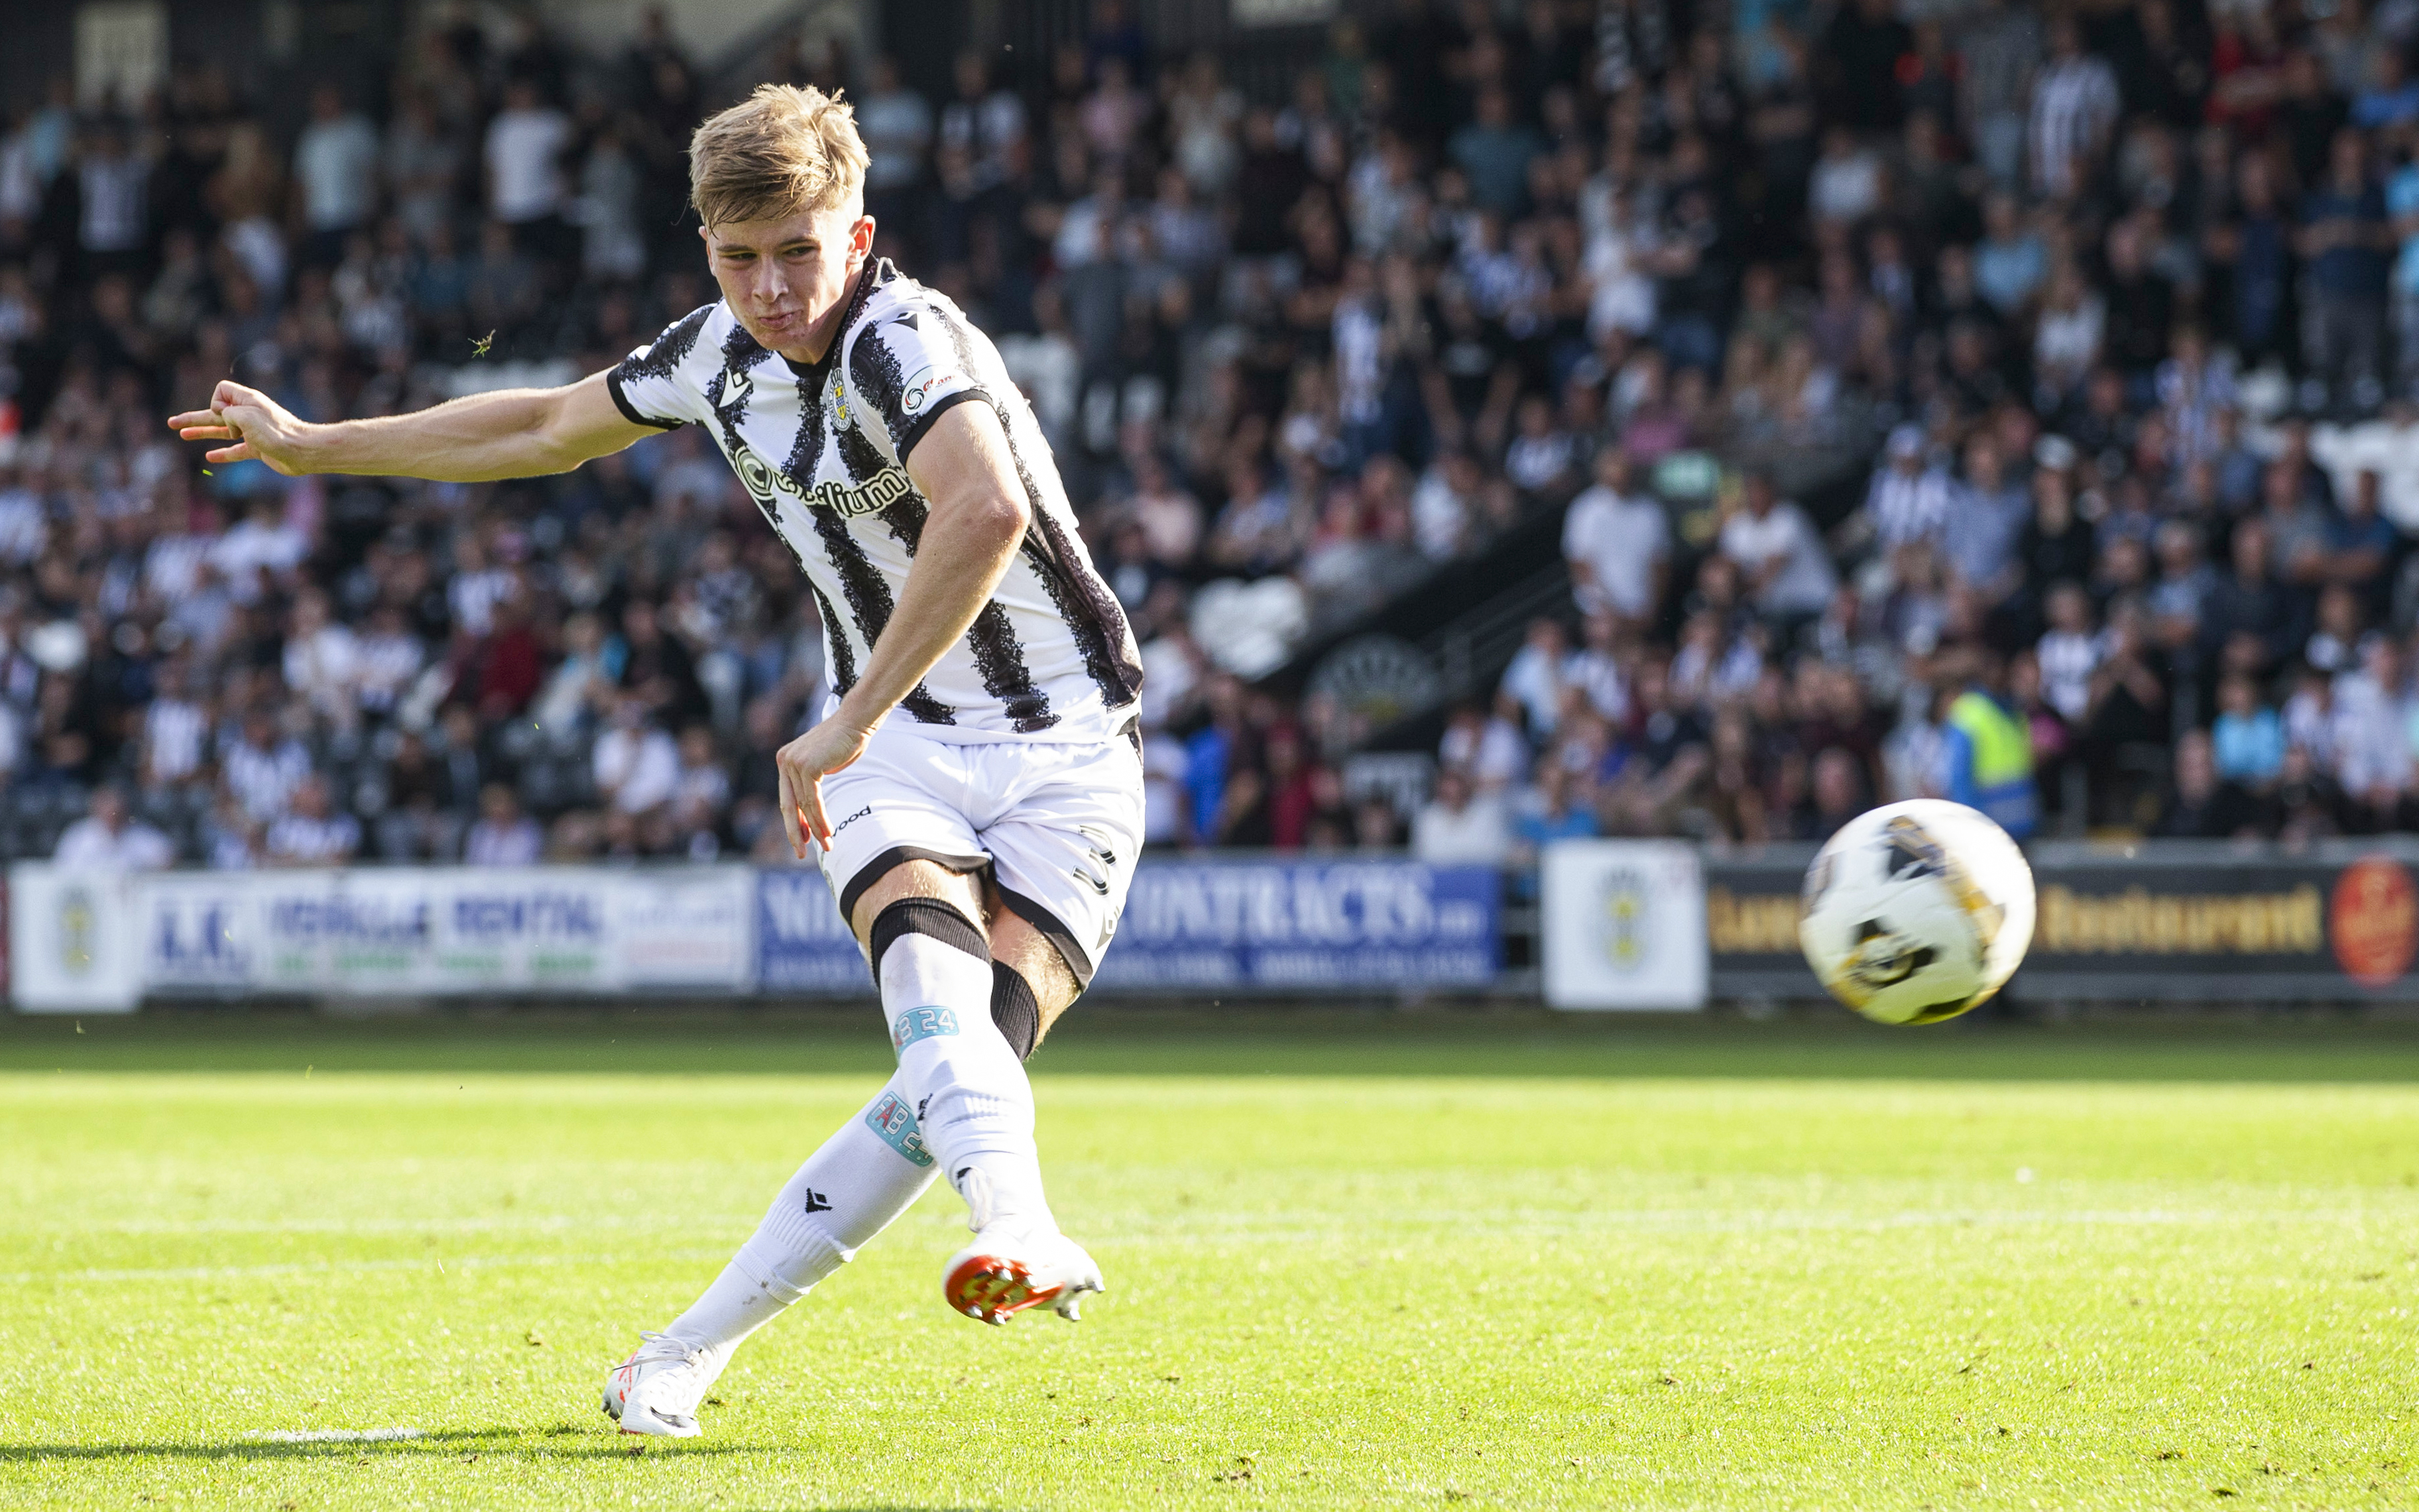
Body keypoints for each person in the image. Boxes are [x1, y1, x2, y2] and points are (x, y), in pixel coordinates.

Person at [171, 84, 1139, 1438]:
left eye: (797, 252)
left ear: (856, 238)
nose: (770, 288)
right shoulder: (713, 358)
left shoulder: (907, 338)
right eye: (737, 260)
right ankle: (1025, 1230)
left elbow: (980, 511)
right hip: (894, 746)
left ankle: (674, 1353)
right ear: (704, 251)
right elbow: (541, 429)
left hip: (1068, 750)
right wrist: (319, 447)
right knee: (935, 1004)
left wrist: (847, 713)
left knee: (951, 1079)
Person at [50, 785, 174, 870]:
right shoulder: (78, 836)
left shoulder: (139, 833)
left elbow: (168, 859)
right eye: (108, 812)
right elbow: (61, 870)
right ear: (96, 810)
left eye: (117, 813)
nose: (113, 816)